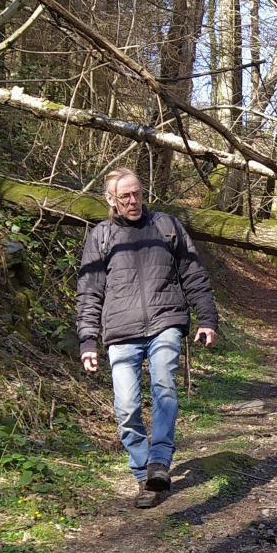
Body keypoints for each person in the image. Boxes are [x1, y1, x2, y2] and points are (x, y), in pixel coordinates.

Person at [76, 168, 219, 508]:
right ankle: (145, 477)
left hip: (165, 321)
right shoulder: (101, 236)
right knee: (126, 407)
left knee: (164, 387)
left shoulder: (167, 226)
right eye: (125, 196)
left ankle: (159, 462)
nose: (133, 200)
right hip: (120, 331)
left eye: (137, 193)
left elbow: (194, 275)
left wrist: (207, 319)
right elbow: (89, 291)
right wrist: (88, 341)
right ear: (111, 199)